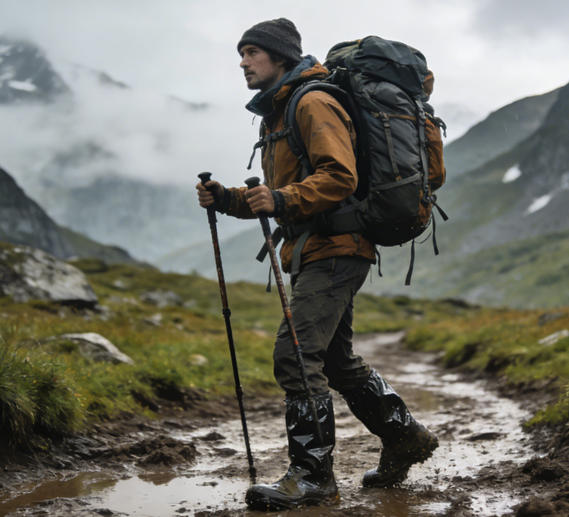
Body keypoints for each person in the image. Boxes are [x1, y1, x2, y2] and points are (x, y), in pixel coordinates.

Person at [196, 18, 438, 511]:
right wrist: (228, 199)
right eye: (240, 54)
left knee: (296, 354)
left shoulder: (311, 102)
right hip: (315, 248)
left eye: (251, 53)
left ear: (279, 56)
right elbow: (280, 196)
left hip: (337, 246)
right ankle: (406, 437)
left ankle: (312, 476)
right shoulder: (280, 111)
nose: (242, 63)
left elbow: (339, 178)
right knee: (335, 361)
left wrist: (280, 199)